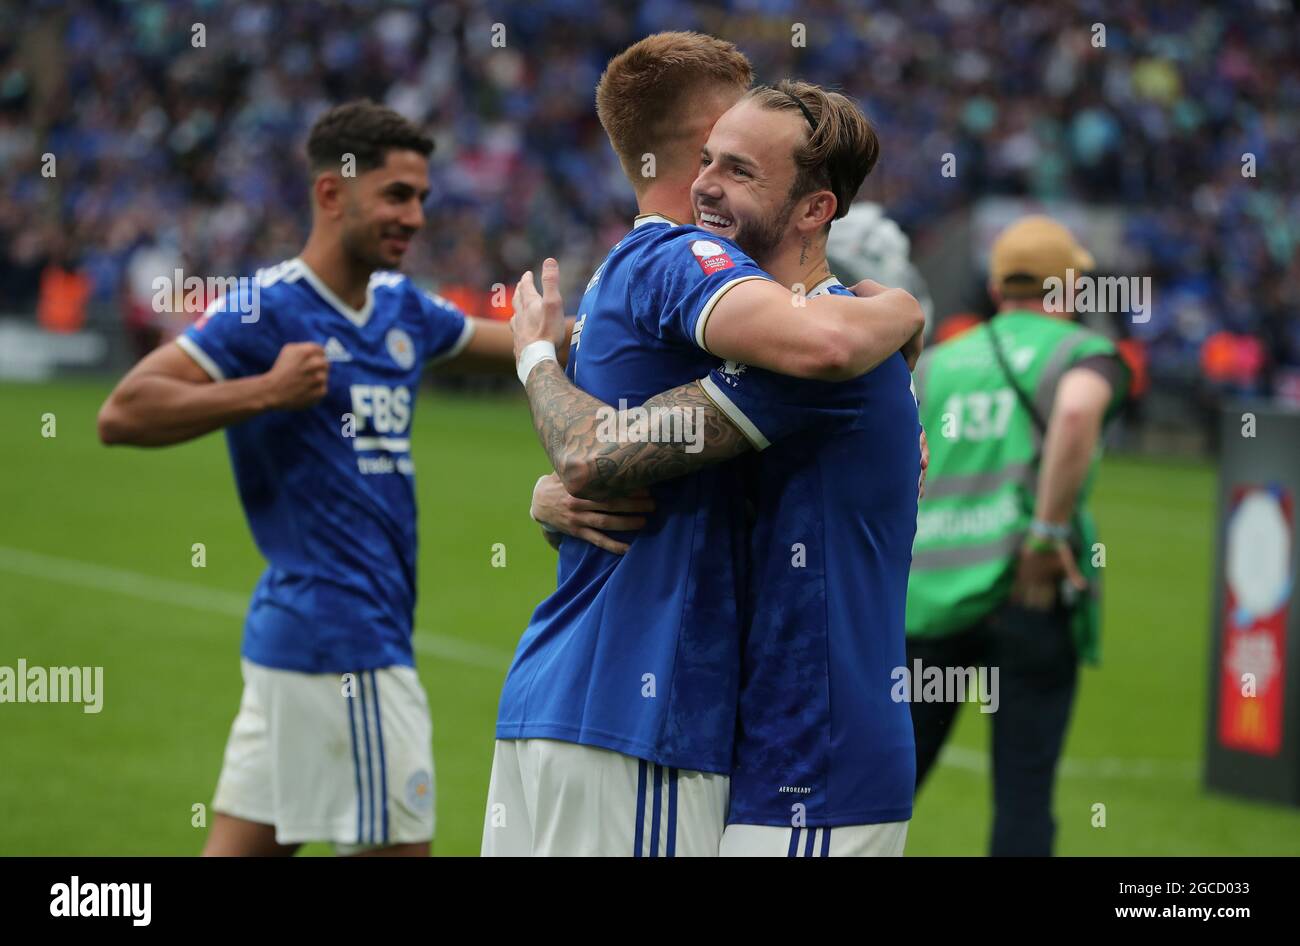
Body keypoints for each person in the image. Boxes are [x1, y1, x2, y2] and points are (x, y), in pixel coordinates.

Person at [482, 34, 924, 857]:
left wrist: (898, 312)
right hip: (658, 727)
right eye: (713, 155)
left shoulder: (813, 343)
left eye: (742, 167)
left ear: (813, 205)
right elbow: (599, 461)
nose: (711, 184)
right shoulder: (700, 271)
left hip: (807, 770)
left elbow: (600, 453)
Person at [96, 100, 520, 857]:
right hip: (345, 643)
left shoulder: (402, 309)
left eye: (422, 197)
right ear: (332, 194)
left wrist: (633, 319)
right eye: (397, 194)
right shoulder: (268, 307)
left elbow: (525, 343)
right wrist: (262, 391)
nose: (416, 216)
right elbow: (122, 412)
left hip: (301, 641)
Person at [906, 214, 1131, 856]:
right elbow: (1081, 408)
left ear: (1000, 284)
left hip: (928, 596)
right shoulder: (1078, 353)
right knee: (1024, 794)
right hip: (1027, 593)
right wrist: (1045, 534)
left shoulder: (939, 361)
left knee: (885, 785)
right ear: (1070, 288)